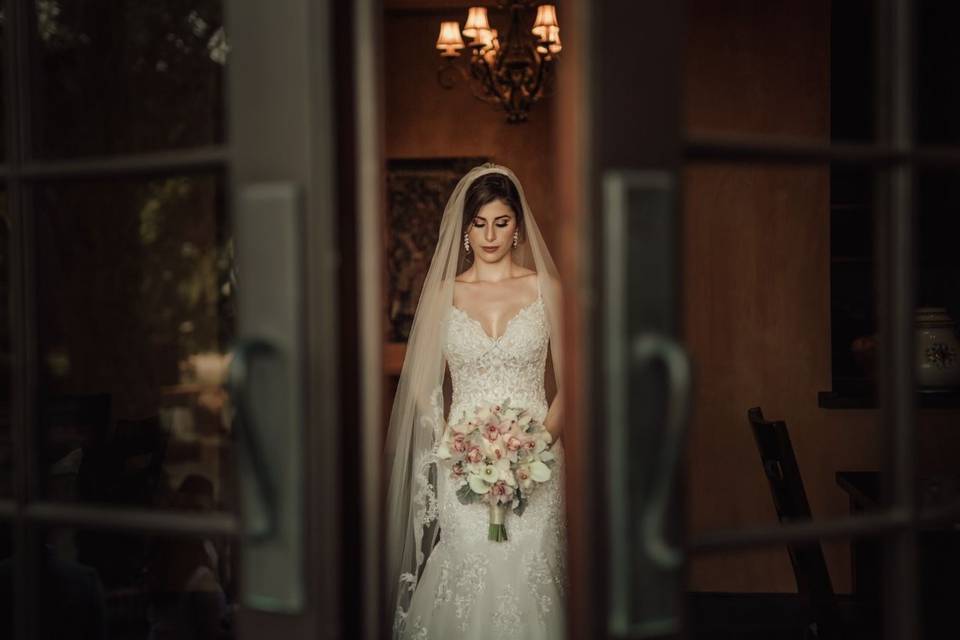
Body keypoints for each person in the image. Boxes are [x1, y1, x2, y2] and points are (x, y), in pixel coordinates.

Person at [384, 163, 567, 639]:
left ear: (518, 227)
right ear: (465, 229)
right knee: (468, 570)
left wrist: (533, 450)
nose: (490, 234)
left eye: (501, 222)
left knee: (530, 573)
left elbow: (575, 385)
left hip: (538, 464)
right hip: (461, 463)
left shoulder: (547, 290)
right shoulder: (444, 294)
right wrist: (458, 448)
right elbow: (424, 389)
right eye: (479, 223)